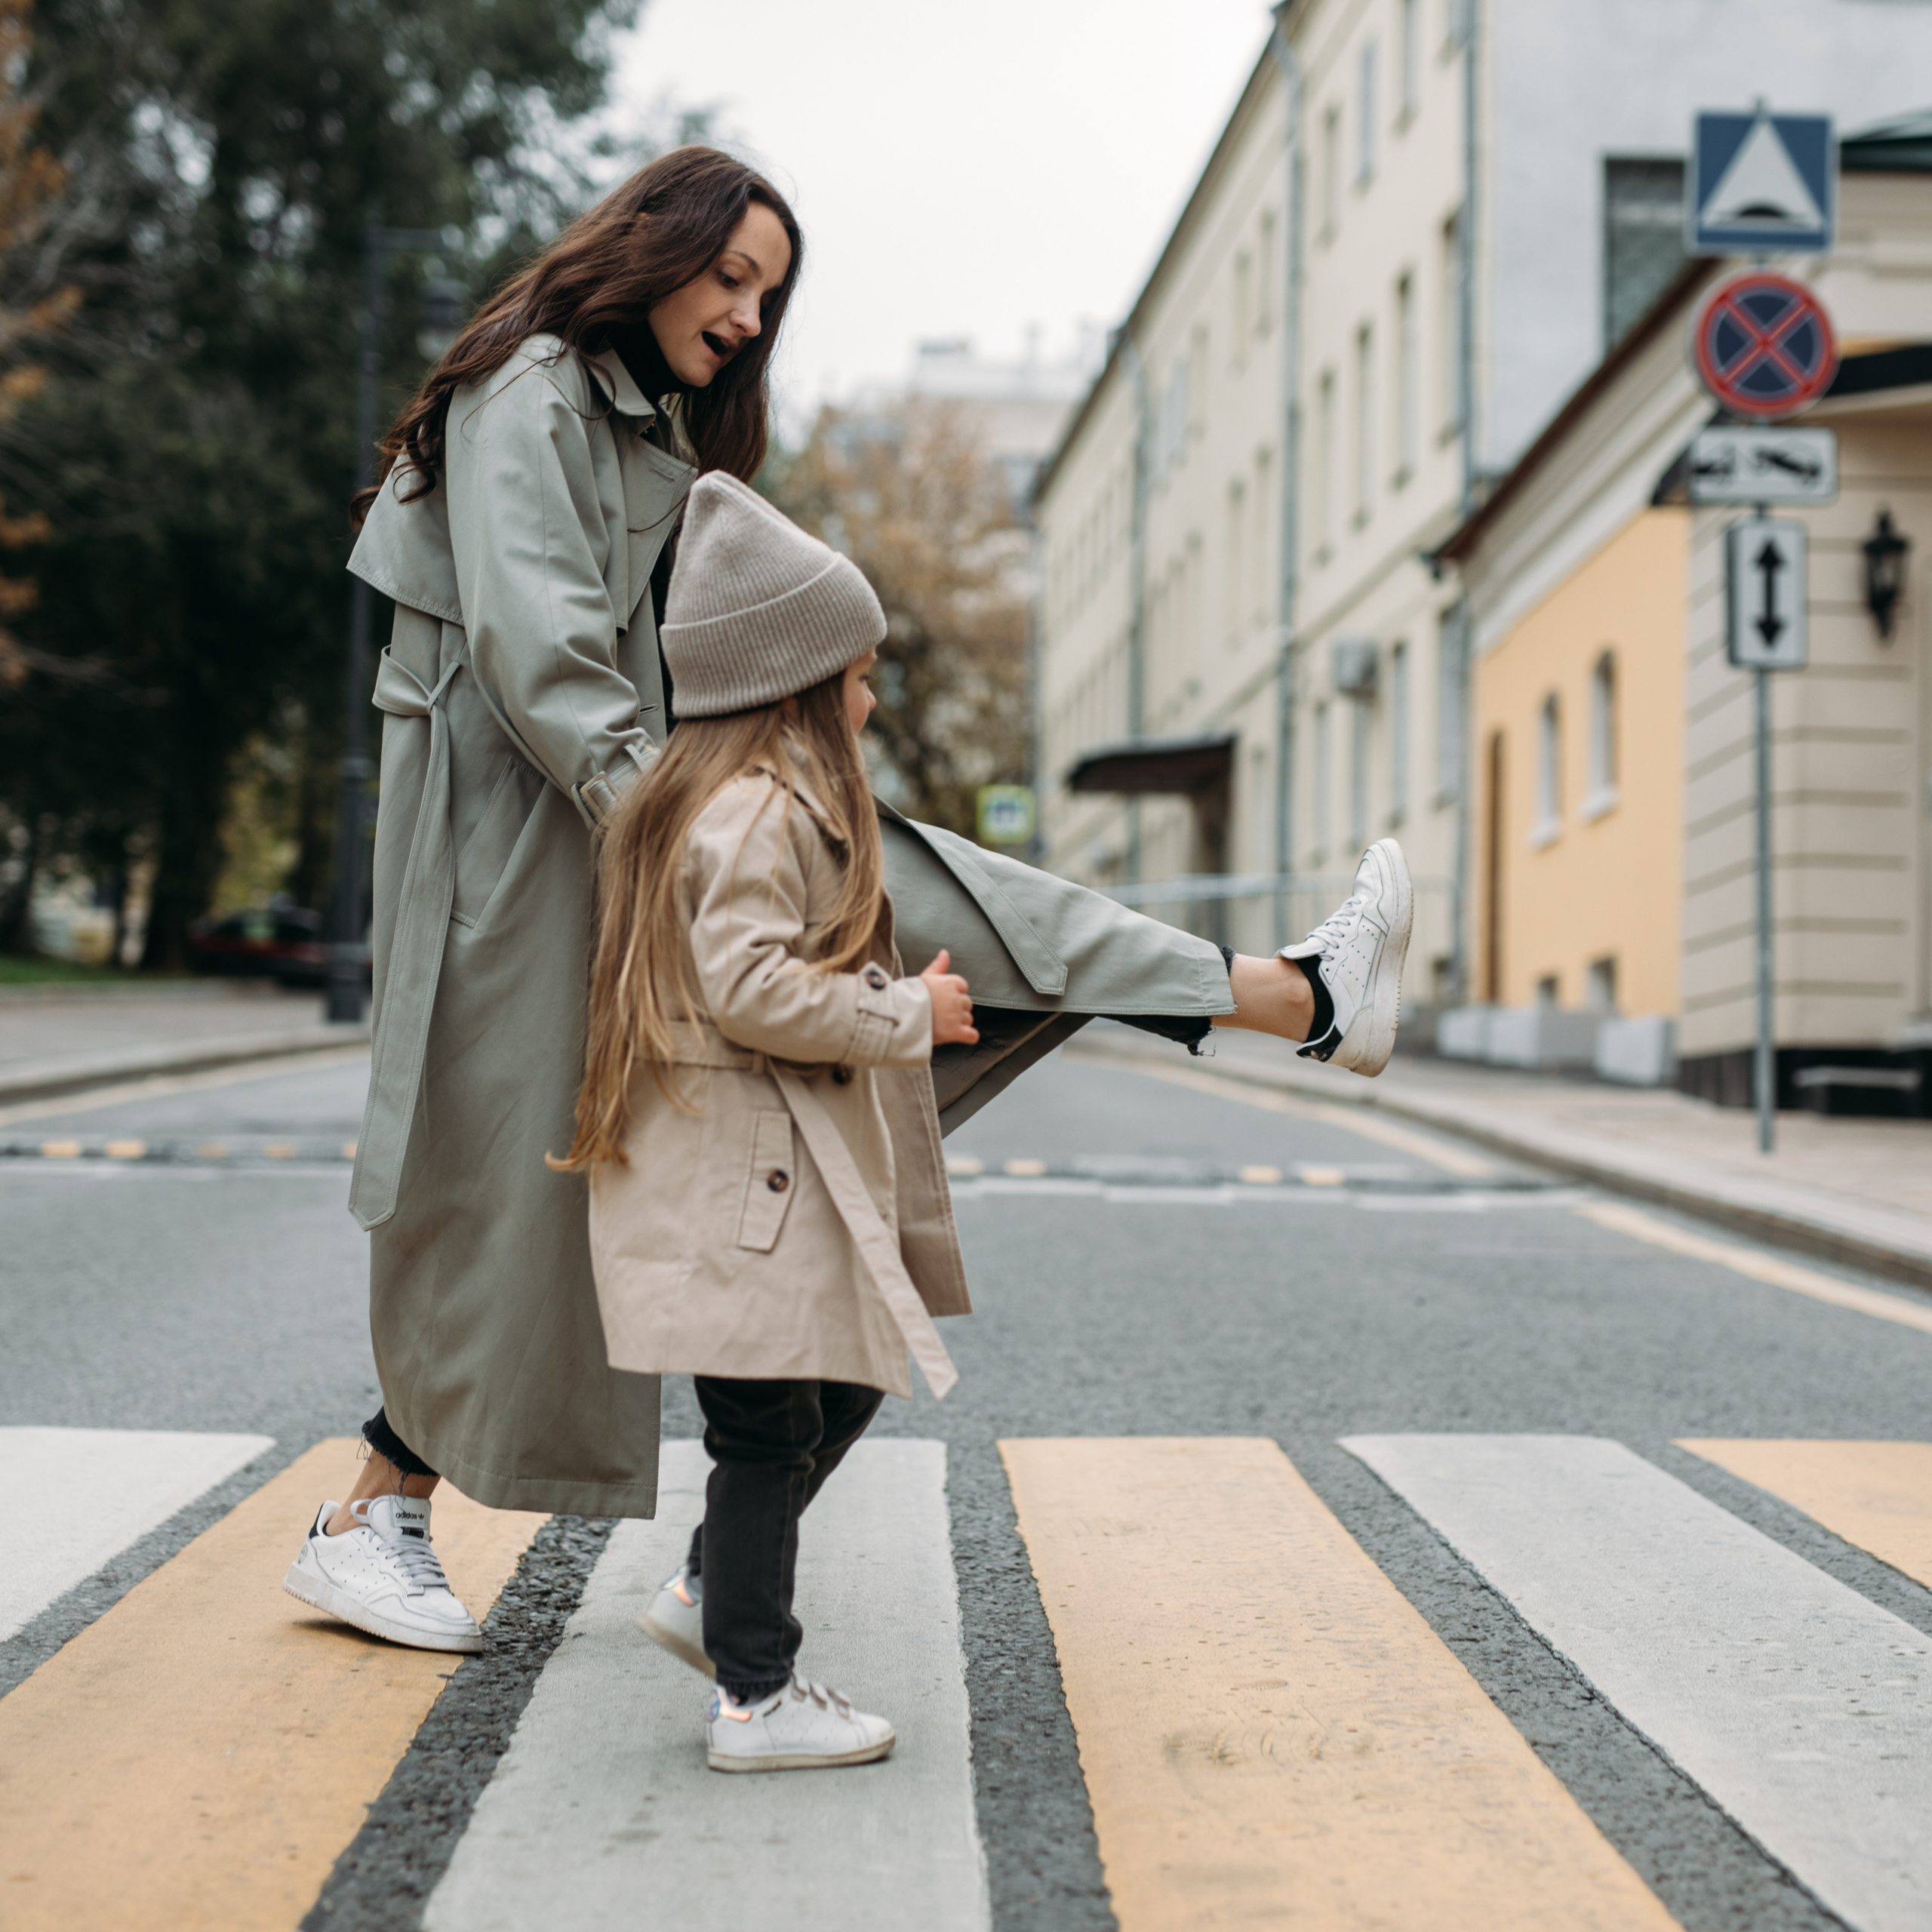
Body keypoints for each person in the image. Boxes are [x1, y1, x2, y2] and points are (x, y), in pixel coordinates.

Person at [282, 145, 1411, 1657]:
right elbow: (545, 663)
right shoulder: (531, 390)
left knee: (940, 903)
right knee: (527, 1196)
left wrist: (765, 761)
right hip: (534, 852)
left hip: (632, 821)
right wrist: (696, 842)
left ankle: (1299, 995)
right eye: (732, 275)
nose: (750, 315)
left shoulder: (656, 434)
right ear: (655, 249)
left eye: (771, 293)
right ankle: (368, 1517)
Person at [558, 470, 980, 1768]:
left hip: (754, 1180)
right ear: (794, 680)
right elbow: (747, 986)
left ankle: (708, 1594)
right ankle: (754, 1694)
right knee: (763, 1429)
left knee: (832, 1386)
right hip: (745, 1185)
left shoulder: (746, 799)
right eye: (855, 675)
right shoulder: (754, 810)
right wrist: (901, 1013)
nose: (869, 698)